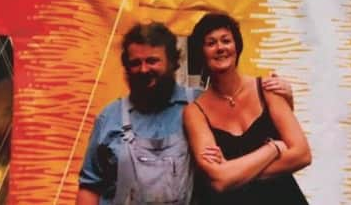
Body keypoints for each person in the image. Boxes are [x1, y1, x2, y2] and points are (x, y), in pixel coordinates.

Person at [76, 21, 294, 205]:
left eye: (152, 60)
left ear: (173, 63)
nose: (143, 69)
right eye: (135, 63)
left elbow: (251, 142)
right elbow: (90, 187)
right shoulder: (109, 118)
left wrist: (285, 98)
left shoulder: (202, 106)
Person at [183, 13, 311, 204]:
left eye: (226, 40)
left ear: (237, 47)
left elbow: (302, 154)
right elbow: (219, 180)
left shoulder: (268, 89)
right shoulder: (195, 112)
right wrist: (273, 148)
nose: (220, 48)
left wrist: (235, 173)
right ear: (201, 53)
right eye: (211, 43)